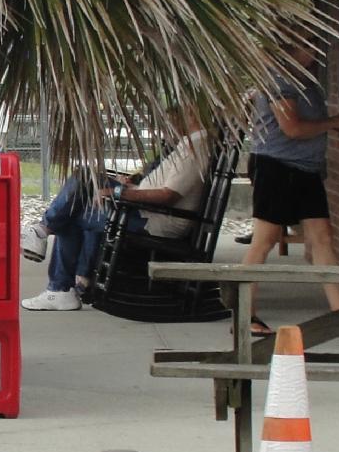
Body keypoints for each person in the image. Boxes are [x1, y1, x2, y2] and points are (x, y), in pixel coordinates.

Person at [21, 116, 214, 312]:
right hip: (143, 209)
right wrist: (130, 185)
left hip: (154, 220)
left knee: (73, 210)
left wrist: (119, 192)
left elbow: (168, 196)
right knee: (86, 178)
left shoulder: (195, 148)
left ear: (190, 112)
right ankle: (54, 257)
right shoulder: (188, 143)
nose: (164, 121)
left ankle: (56, 276)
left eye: (169, 115)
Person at [241, 48, 339, 326]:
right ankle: (244, 315)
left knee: (322, 238)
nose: (314, 51)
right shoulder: (281, 80)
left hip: (306, 169)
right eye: (308, 43)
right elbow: (291, 128)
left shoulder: (306, 81)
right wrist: (333, 123)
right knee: (264, 240)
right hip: (277, 167)